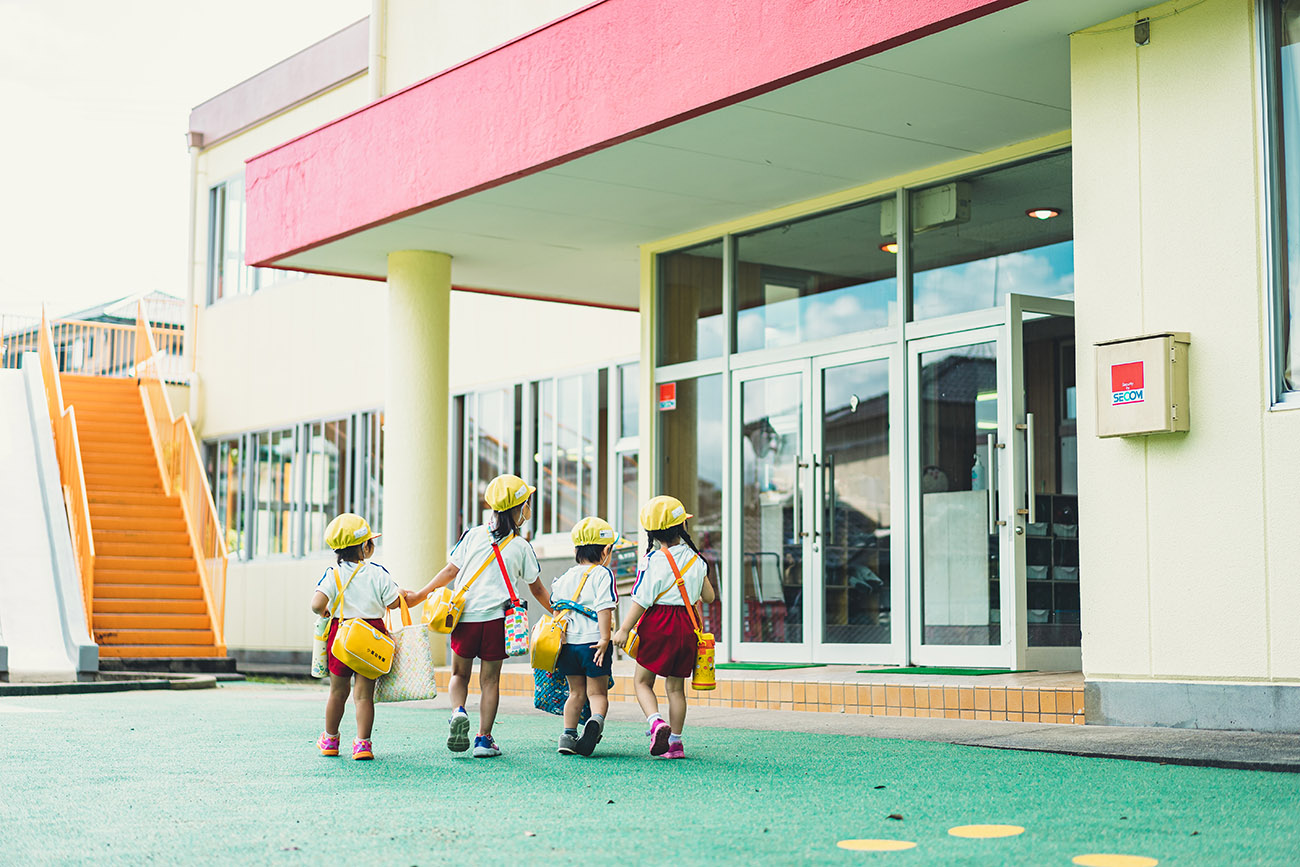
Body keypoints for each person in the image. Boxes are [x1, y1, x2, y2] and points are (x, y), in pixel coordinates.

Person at [406, 474, 552, 758]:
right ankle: (484, 739)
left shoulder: (472, 536)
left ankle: (458, 711)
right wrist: (559, 614)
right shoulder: (521, 547)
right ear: (518, 508)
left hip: (464, 619)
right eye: (527, 503)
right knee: (490, 682)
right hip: (498, 622)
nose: (529, 509)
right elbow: (537, 589)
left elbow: (450, 572)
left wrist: (419, 596)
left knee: (459, 674)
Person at [612, 495, 716, 759]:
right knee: (675, 688)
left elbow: (641, 600)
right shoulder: (696, 559)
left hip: (658, 624)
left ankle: (656, 722)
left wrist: (624, 629)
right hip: (686, 627)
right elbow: (709, 597)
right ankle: (677, 744)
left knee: (642, 681)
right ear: (681, 527)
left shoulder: (653, 560)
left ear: (652, 533)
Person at [310, 513, 401, 761]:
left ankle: (330, 739)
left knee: (337, 692)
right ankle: (363, 745)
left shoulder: (333, 573)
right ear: (364, 546)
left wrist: (326, 611)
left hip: (342, 635)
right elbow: (394, 603)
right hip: (371, 636)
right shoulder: (378, 573)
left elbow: (317, 604)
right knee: (363, 696)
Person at [550, 517, 619, 757]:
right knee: (597, 693)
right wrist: (604, 638)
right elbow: (605, 608)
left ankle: (568, 736)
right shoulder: (603, 574)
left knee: (575, 693)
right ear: (606, 550)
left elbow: (556, 610)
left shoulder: (566, 576)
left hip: (569, 644)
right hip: (593, 643)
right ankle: (595, 722)